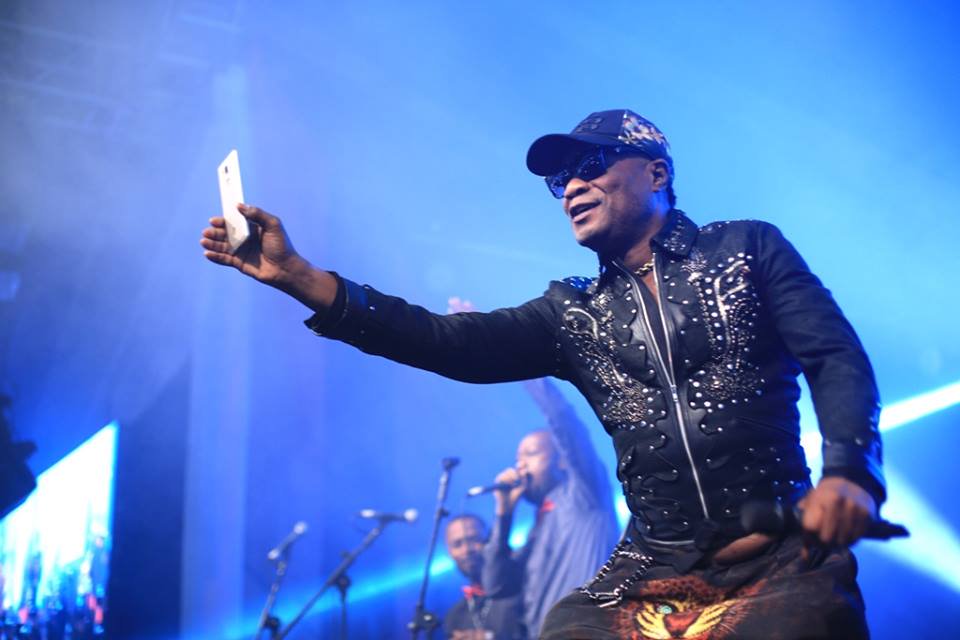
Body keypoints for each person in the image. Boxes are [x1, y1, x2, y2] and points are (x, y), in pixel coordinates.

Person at [200, 109, 885, 639]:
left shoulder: (746, 248)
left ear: (655, 172)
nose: (571, 188)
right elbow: (445, 342)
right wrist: (299, 276)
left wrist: (850, 472)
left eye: (591, 165)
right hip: (653, 571)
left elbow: (834, 355)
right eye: (561, 182)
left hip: (781, 558)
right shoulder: (572, 312)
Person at [483, 379, 618, 638]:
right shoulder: (539, 524)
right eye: (518, 458)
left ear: (563, 461)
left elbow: (567, 426)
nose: (520, 465)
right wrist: (504, 515)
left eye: (531, 454)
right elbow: (497, 586)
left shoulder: (583, 494)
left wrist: (531, 374)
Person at [443, 514, 524, 640]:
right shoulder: (454, 617)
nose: (466, 550)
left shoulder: (520, 588)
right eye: (458, 544)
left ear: (489, 540)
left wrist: (490, 638)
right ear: (450, 552)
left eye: (473, 539)